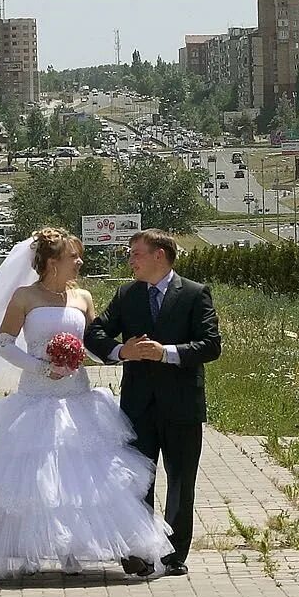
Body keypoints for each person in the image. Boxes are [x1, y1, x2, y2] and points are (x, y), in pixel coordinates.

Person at [0, 228, 171, 582]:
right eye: (74, 257)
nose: (80, 262)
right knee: (36, 478)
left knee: (82, 479)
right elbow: (4, 344)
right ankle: (31, 548)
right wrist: (42, 366)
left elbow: (92, 343)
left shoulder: (83, 297)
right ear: (52, 261)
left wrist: (119, 354)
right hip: (37, 396)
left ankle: (88, 549)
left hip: (77, 397)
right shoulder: (25, 297)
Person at [84, 229, 221, 578]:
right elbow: (95, 332)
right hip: (138, 405)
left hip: (181, 406)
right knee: (138, 481)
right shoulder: (127, 294)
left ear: (159, 255)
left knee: (180, 482)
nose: (130, 260)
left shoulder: (193, 294)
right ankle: (141, 552)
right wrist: (119, 352)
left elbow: (210, 345)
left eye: (136, 254)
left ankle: (173, 556)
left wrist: (168, 354)